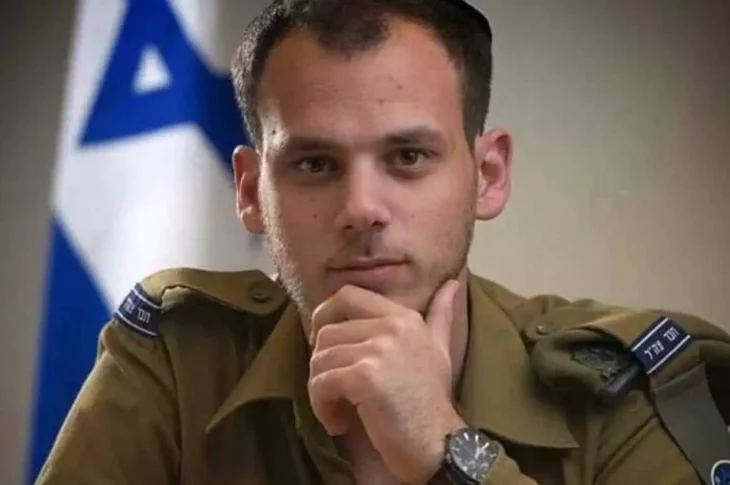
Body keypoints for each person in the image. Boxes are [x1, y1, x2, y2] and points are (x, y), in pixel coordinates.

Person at [35, 0, 730, 484]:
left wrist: (445, 449)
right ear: (250, 191)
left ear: (487, 176)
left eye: (408, 157)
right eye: (315, 164)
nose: (361, 209)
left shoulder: (620, 393)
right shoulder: (177, 360)